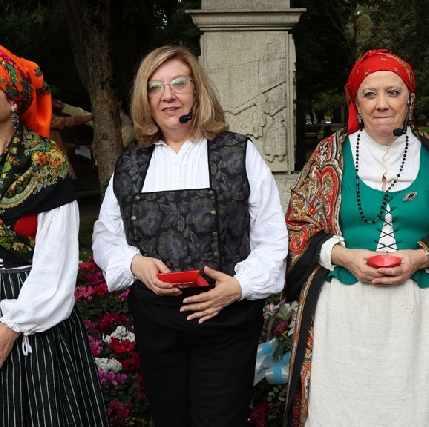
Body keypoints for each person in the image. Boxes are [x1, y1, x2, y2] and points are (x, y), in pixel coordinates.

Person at [91, 45, 288, 427]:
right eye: (156, 86)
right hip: (157, 325)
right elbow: (105, 235)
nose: (168, 95)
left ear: (197, 91)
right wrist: (135, 263)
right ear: (146, 98)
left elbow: (272, 237)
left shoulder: (238, 153)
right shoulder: (130, 163)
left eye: (178, 83)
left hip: (226, 323)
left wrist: (238, 286)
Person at [283, 48, 429, 426]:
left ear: (410, 100)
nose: (382, 104)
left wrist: (420, 259)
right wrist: (343, 256)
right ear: (355, 102)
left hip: (419, 314)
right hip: (345, 311)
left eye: (393, 92)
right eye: (369, 94)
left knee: (417, 407)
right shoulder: (330, 154)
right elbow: (299, 222)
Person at [0, 45, 108, 426]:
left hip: (31, 311)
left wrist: (11, 328)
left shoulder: (45, 162)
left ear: (13, 99)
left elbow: (56, 260)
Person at [50, 98, 93, 179]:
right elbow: (66, 121)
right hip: (55, 165)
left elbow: (53, 142)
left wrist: (70, 145)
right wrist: (91, 117)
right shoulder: (41, 115)